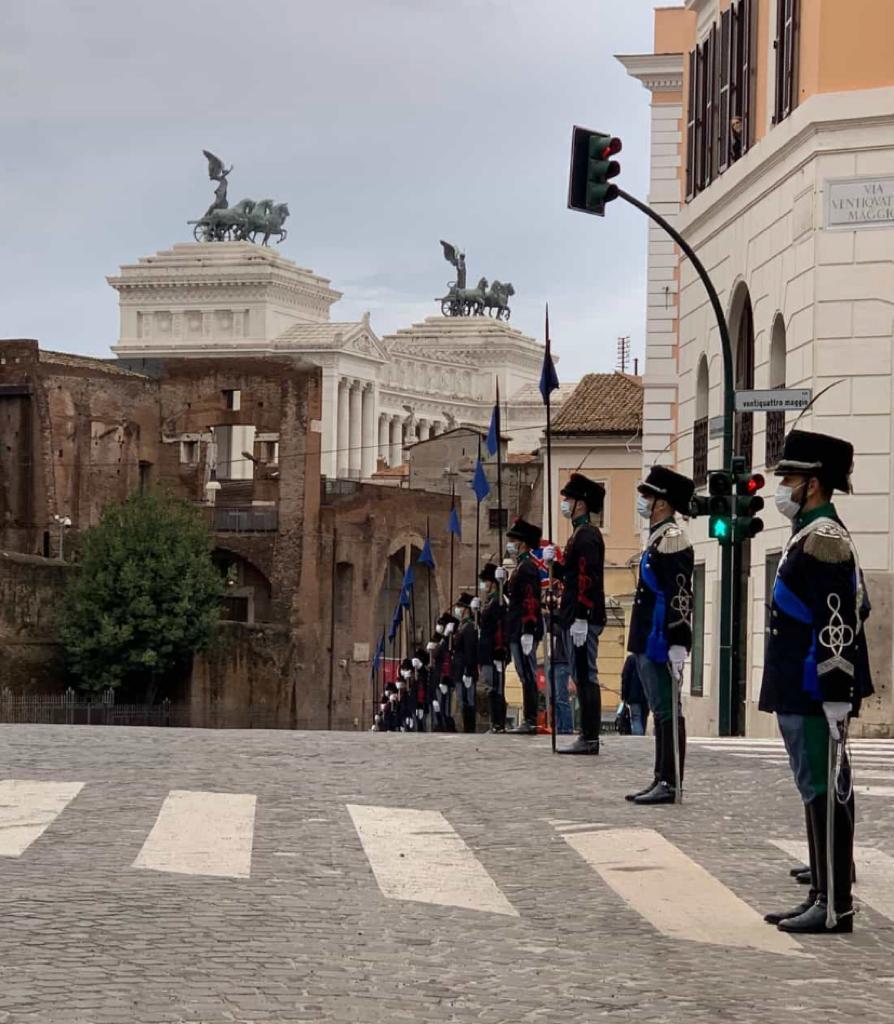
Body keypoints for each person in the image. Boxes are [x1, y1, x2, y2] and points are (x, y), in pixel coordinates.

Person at [760, 430, 873, 934]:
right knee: (815, 787)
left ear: (813, 483)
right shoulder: (808, 532)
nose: (783, 485)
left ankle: (835, 906)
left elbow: (838, 621)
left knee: (825, 789)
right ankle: (821, 892)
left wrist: (834, 691)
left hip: (813, 685)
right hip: (800, 684)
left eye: (790, 477)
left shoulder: (824, 538)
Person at [625, 465, 695, 804]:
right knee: (659, 708)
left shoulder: (673, 540)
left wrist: (679, 641)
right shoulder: (658, 538)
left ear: (663, 503)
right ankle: (660, 776)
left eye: (648, 496)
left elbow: (680, 594)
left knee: (667, 710)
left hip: (662, 639)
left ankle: (670, 780)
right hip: (647, 636)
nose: (643, 501)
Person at [543, 473, 606, 755]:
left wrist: (581, 614)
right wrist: (554, 565)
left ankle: (589, 736)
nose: (565, 504)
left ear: (581, 504)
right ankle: (587, 735)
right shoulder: (579, 534)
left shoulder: (587, 535)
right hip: (574, 615)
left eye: (568, 499)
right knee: (580, 675)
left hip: (583, 617)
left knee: (585, 674)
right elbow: (572, 573)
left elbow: (586, 578)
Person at [503, 518, 545, 735]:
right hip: (517, 628)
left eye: (513, 541)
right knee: (524, 674)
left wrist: (528, 629)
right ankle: (529, 718)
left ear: (522, 544)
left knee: (528, 674)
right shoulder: (521, 567)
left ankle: (530, 719)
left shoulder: (527, 567)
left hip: (524, 628)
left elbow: (530, 600)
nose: (510, 544)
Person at [477, 562, 508, 733]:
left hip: (494, 651)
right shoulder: (489, 601)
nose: (484, 585)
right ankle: (494, 723)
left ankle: (498, 723)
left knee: (496, 687)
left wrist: (499, 649)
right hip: (486, 652)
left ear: (493, 583)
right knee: (491, 687)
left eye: (486, 582)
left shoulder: (498, 601)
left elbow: (500, 627)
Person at [451, 593, 479, 733]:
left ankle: (470, 728)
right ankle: (467, 727)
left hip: (465, 669)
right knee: (462, 701)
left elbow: (469, 650)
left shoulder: (469, 627)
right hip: (458, 669)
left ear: (466, 609)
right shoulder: (461, 626)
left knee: (468, 700)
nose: (457, 609)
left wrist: (468, 670)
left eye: (460, 607)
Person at [621, 653, 649, 736]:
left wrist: (624, 695)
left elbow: (625, 678)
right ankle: (642, 735)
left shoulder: (631, 659)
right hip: (646, 696)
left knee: (636, 717)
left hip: (633, 695)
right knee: (644, 717)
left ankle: (638, 738)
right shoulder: (648, 659)